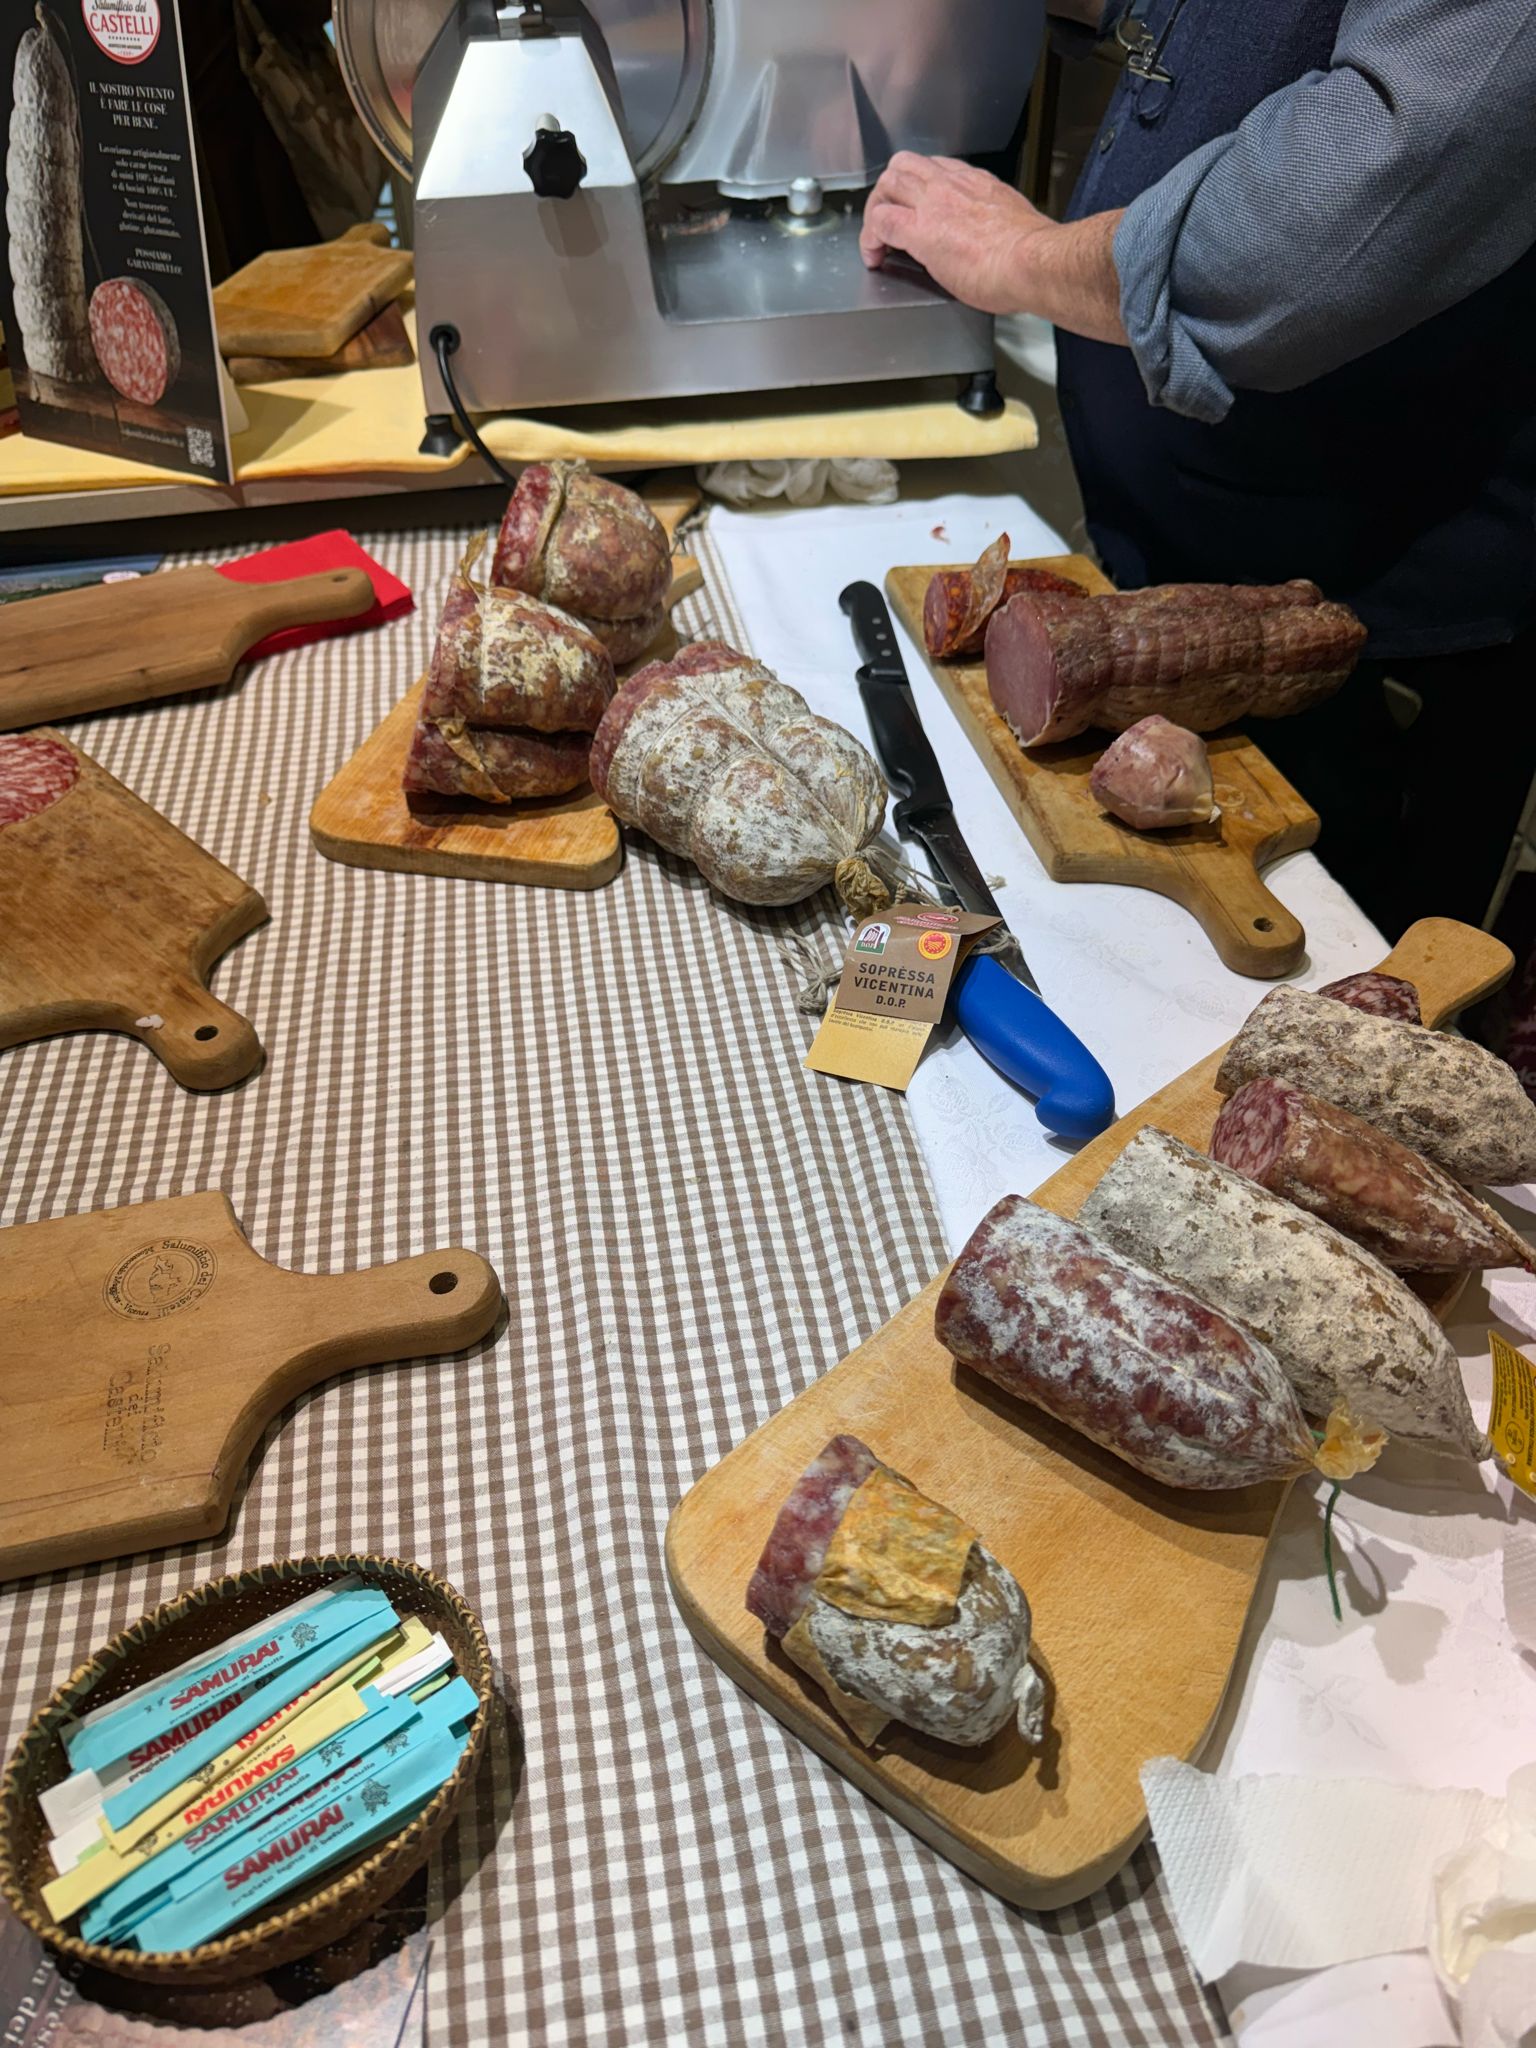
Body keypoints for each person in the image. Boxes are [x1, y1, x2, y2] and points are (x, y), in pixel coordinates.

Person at [860, 0, 1536, 943]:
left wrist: (1019, 254)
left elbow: (1356, 195)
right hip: (1167, 560)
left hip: (1376, 631)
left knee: (1338, 989)